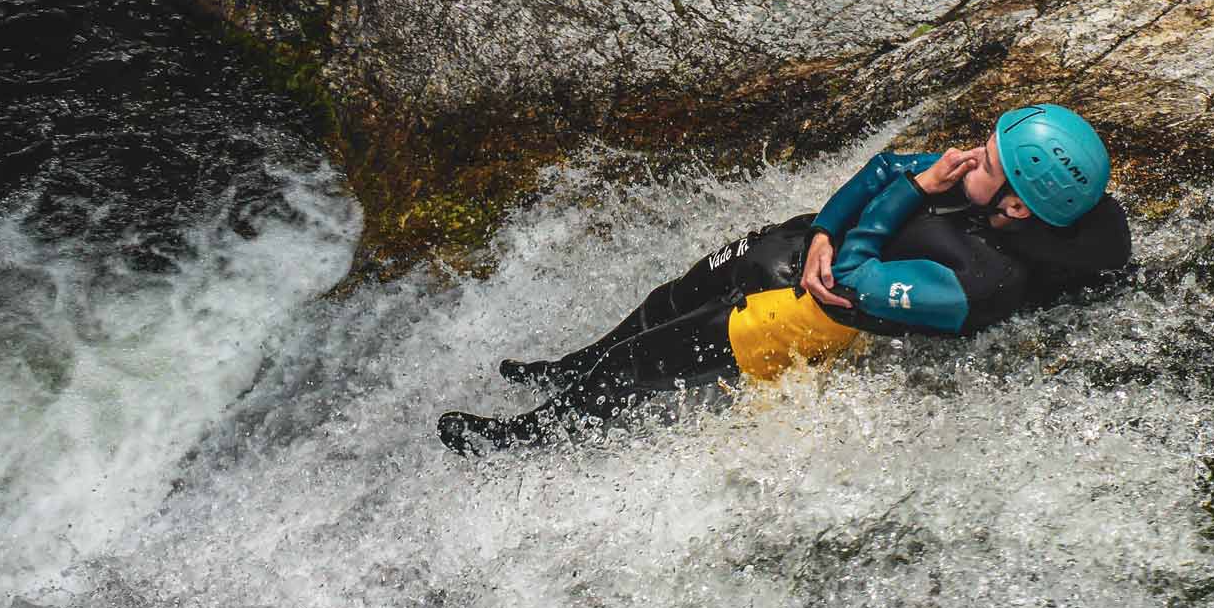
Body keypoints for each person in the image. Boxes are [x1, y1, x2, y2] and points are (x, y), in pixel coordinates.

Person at [437, 104, 1132, 453]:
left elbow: (851, 284)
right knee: (664, 303)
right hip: (796, 249)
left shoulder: (978, 281)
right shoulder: (991, 189)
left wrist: (908, 195)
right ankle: (567, 368)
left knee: (636, 369)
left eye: (985, 159)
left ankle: (524, 441)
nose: (961, 156)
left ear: (1016, 206)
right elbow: (889, 169)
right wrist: (825, 231)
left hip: (799, 315)